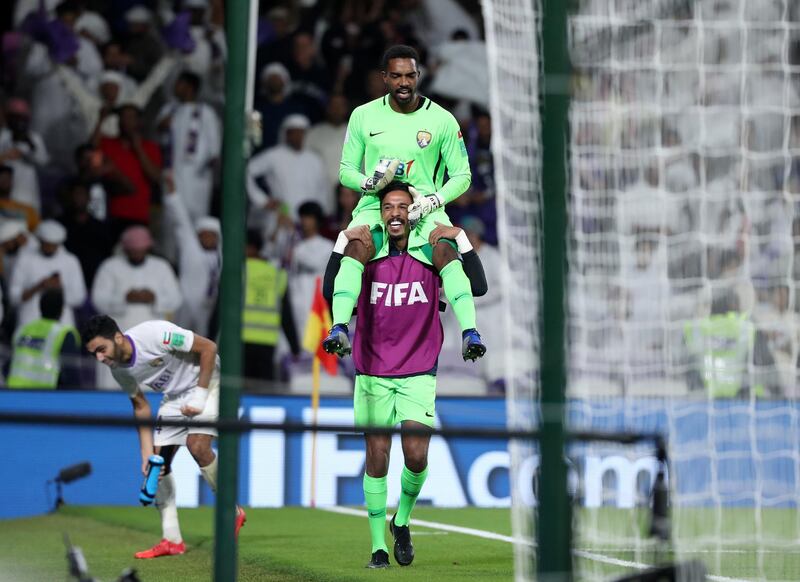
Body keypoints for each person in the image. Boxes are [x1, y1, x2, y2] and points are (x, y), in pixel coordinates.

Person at [329, 182, 487, 568]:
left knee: (415, 457)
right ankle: (377, 548)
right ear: (381, 213)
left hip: (418, 370)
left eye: (403, 206)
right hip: (372, 370)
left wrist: (461, 237)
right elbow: (328, 289)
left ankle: (401, 520)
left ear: (413, 211)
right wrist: (340, 242)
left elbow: (478, 286)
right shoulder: (366, 251)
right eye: (388, 207)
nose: (396, 212)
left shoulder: (432, 250)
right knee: (377, 456)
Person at [325, 45, 485, 362]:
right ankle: (340, 327)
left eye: (410, 75)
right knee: (357, 245)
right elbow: (345, 172)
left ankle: (470, 332)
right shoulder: (363, 115)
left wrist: (433, 200)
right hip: (375, 203)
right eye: (396, 76)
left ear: (418, 76)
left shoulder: (442, 120)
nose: (403, 83)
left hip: (425, 206)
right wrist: (369, 183)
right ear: (385, 78)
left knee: (445, 250)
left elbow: (462, 176)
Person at [80, 314, 246, 558]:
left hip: (209, 383)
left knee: (197, 446)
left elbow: (209, 348)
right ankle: (172, 540)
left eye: (101, 350)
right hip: (174, 398)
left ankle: (233, 513)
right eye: (94, 353)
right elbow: (140, 406)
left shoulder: (155, 334)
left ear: (117, 337)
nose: (100, 358)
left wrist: (199, 397)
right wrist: (146, 453)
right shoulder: (119, 371)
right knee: (158, 468)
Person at [242, 229, 300, 387]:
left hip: (241, 341)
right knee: (263, 390)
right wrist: (295, 348)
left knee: (240, 390)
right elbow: (286, 315)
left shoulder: (237, 271)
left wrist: (210, 338)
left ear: (250, 247)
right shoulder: (277, 275)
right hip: (267, 342)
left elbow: (219, 311)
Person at [9, 220, 87, 332]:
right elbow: (13, 297)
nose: (49, 248)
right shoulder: (24, 259)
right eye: (46, 244)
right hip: (30, 322)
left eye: (53, 245)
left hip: (61, 324)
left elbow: (79, 297)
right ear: (40, 241)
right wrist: (38, 286)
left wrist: (58, 288)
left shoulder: (70, 261)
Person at [7, 289, 81, 389]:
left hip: (13, 394)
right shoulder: (64, 334)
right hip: (45, 397)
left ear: (40, 307)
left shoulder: (22, 330)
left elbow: (9, 364)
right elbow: (72, 374)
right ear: (61, 310)